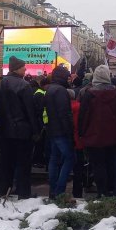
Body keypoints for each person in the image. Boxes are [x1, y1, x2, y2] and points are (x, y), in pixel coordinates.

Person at [0, 56, 41, 199]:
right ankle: (23, 192)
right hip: (22, 132)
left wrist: (1, 127)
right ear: (17, 68)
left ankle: (4, 190)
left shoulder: (0, 85)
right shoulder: (24, 85)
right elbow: (30, 111)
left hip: (5, 132)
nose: (25, 69)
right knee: (23, 164)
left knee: (6, 163)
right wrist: (36, 131)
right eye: (23, 67)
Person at [79, 65, 116, 197]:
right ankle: (111, 190)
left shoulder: (89, 95)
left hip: (93, 136)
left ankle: (101, 191)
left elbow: (83, 116)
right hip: (114, 136)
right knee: (111, 163)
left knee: (97, 165)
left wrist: (81, 133)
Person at [44, 65, 75, 199]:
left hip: (52, 129)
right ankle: (60, 190)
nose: (69, 79)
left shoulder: (50, 89)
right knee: (70, 159)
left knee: (54, 159)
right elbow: (65, 114)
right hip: (62, 131)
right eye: (67, 76)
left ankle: (53, 189)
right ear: (62, 77)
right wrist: (70, 132)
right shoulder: (61, 91)